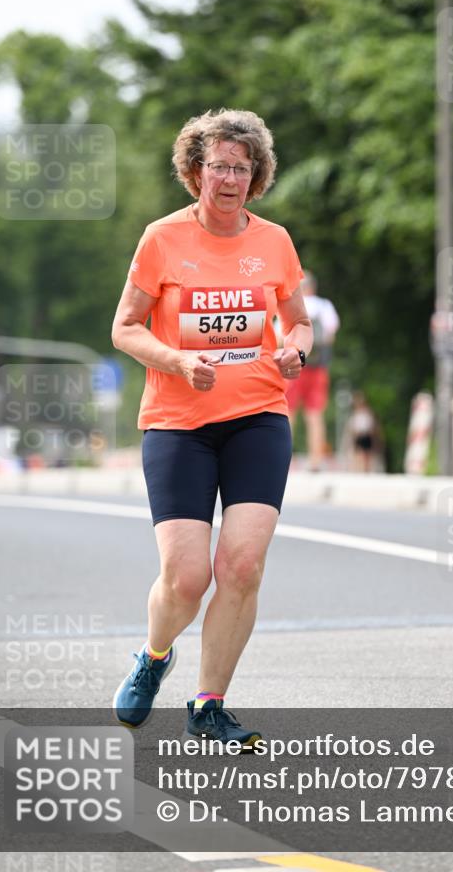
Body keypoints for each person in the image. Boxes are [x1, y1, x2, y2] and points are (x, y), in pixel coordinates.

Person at [111, 109, 312, 747]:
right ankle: (154, 654)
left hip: (258, 416)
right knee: (187, 576)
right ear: (195, 171)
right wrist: (175, 360)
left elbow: (299, 322)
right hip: (178, 424)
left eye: (241, 168)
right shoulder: (162, 239)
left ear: (256, 178)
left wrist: (294, 351)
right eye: (218, 165)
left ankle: (209, 705)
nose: (227, 178)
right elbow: (124, 327)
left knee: (243, 565)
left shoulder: (274, 242)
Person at [284, 271, 339, 470]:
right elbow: (331, 334)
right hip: (318, 368)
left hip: (294, 365)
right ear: (314, 287)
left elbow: (279, 335)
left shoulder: (291, 305)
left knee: (288, 413)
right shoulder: (325, 306)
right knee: (315, 414)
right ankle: (315, 461)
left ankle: (285, 460)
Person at [345, 391, 382, 473]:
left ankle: (366, 469)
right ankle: (360, 469)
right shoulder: (355, 414)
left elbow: (371, 424)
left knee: (367, 453)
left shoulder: (368, 412)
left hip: (366, 434)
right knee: (359, 453)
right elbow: (352, 426)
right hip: (358, 435)